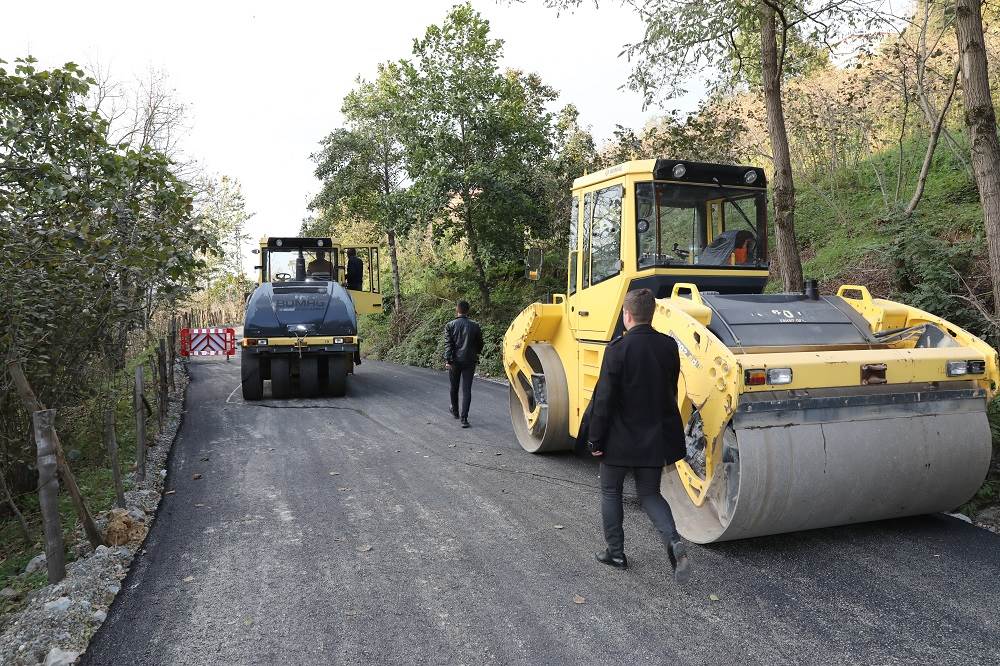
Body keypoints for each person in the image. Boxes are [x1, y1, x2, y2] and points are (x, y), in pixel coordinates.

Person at [587, 287, 691, 584]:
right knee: (649, 494)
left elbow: (603, 400)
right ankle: (673, 541)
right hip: (654, 438)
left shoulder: (617, 349)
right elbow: (670, 390)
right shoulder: (668, 346)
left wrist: (595, 439)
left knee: (611, 492)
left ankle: (616, 553)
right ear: (652, 314)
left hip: (618, 440)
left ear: (627, 315)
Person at [444, 300, 484, 429]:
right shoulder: (475, 325)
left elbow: (448, 344)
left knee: (454, 387)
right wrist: (475, 353)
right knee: (467, 390)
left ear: (457, 309)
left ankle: (455, 411)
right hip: (469, 361)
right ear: (468, 310)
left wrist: (448, 360)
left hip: (455, 361)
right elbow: (480, 345)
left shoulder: (450, 325)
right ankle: (464, 419)